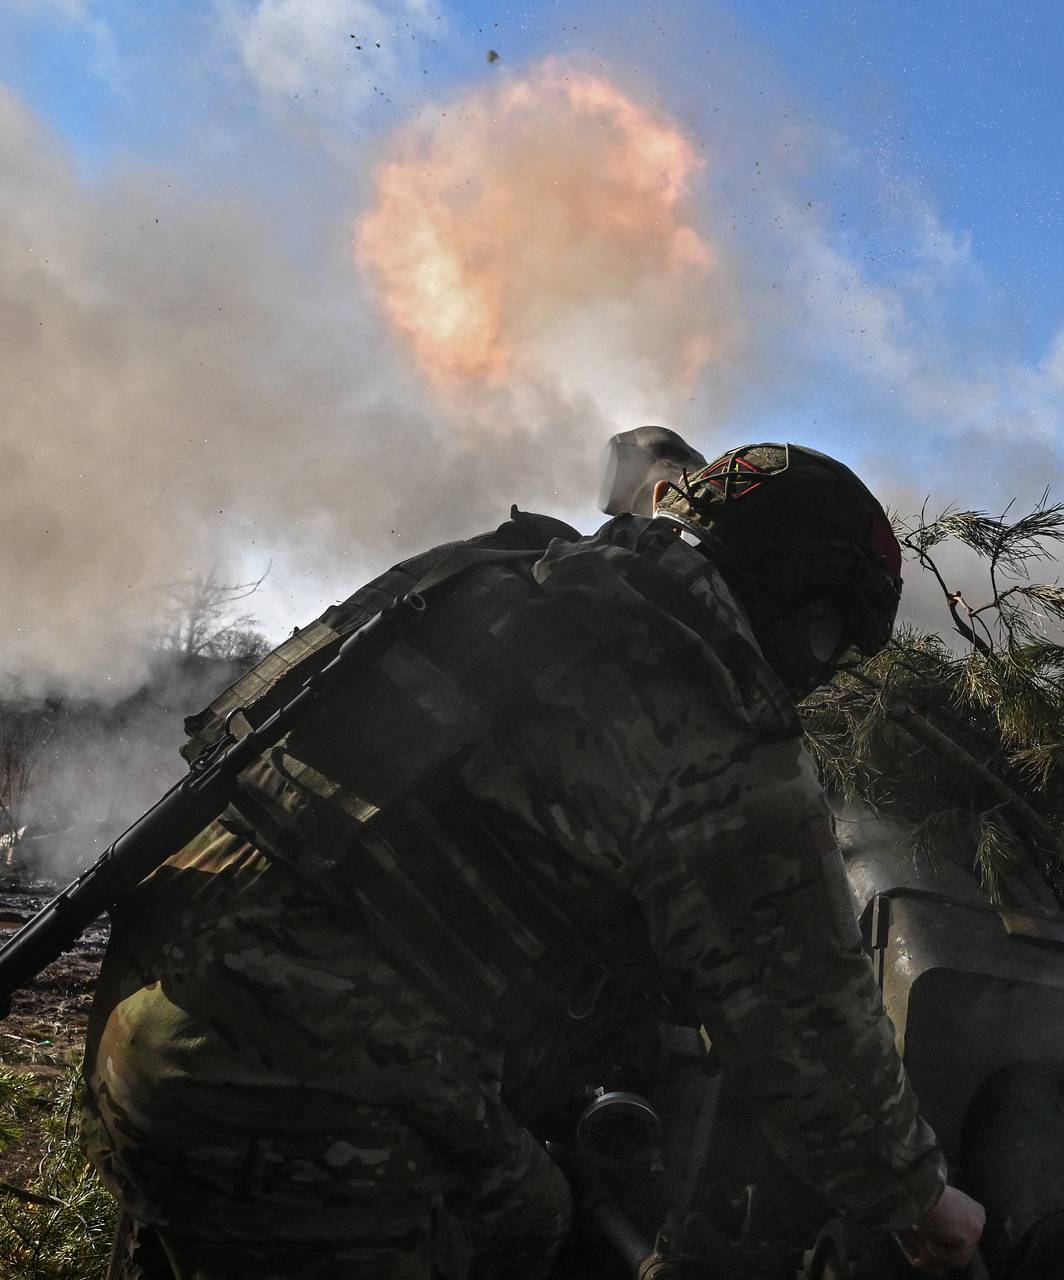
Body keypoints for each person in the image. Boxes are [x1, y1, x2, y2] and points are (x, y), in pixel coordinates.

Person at [82, 441, 984, 1279]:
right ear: (802, 612)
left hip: (141, 1034)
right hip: (314, 1124)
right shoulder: (722, 734)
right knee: (546, 1225)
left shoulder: (478, 577)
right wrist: (917, 1198)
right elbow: (807, 1029)